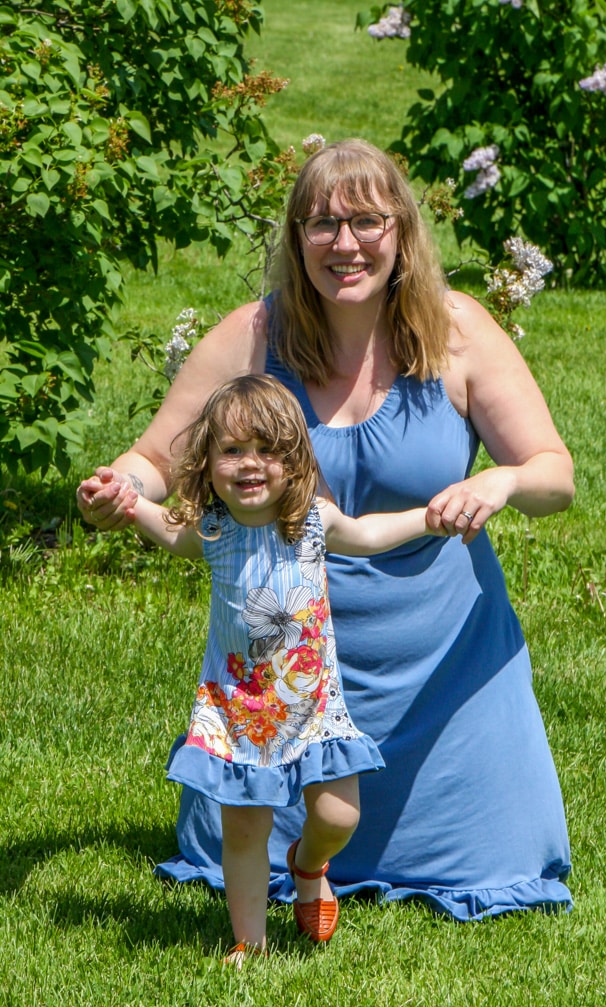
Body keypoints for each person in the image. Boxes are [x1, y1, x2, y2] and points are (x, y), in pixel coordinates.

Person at [77, 138, 575, 924]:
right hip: (282, 676)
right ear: (295, 239)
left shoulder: (459, 332)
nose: (344, 244)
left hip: (446, 681)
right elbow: (153, 459)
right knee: (229, 848)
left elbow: (555, 476)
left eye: (366, 221)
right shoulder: (253, 335)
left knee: (501, 865)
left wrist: (502, 479)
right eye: (321, 224)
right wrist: (118, 488)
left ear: (402, 232)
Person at [122, 372, 446, 961]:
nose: (251, 464)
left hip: (314, 704)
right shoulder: (213, 530)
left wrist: (429, 517)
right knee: (244, 831)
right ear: (209, 461)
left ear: (295, 462)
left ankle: (308, 862)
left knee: (338, 814)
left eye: (269, 450)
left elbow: (370, 534)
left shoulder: (313, 523)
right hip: (240, 708)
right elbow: (167, 533)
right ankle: (250, 943)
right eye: (233, 450)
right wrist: (127, 500)